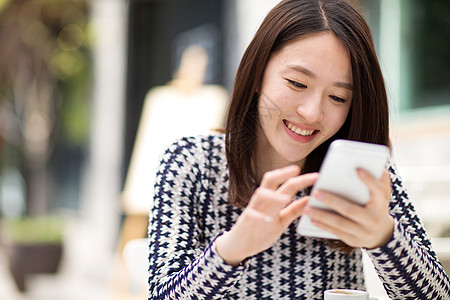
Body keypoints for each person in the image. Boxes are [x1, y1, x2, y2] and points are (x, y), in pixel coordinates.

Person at [147, 0, 450, 299]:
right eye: (297, 83)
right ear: (257, 73)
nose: (312, 113)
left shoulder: (359, 172)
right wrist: (234, 247)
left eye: (337, 98)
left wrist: (384, 238)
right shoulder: (191, 163)